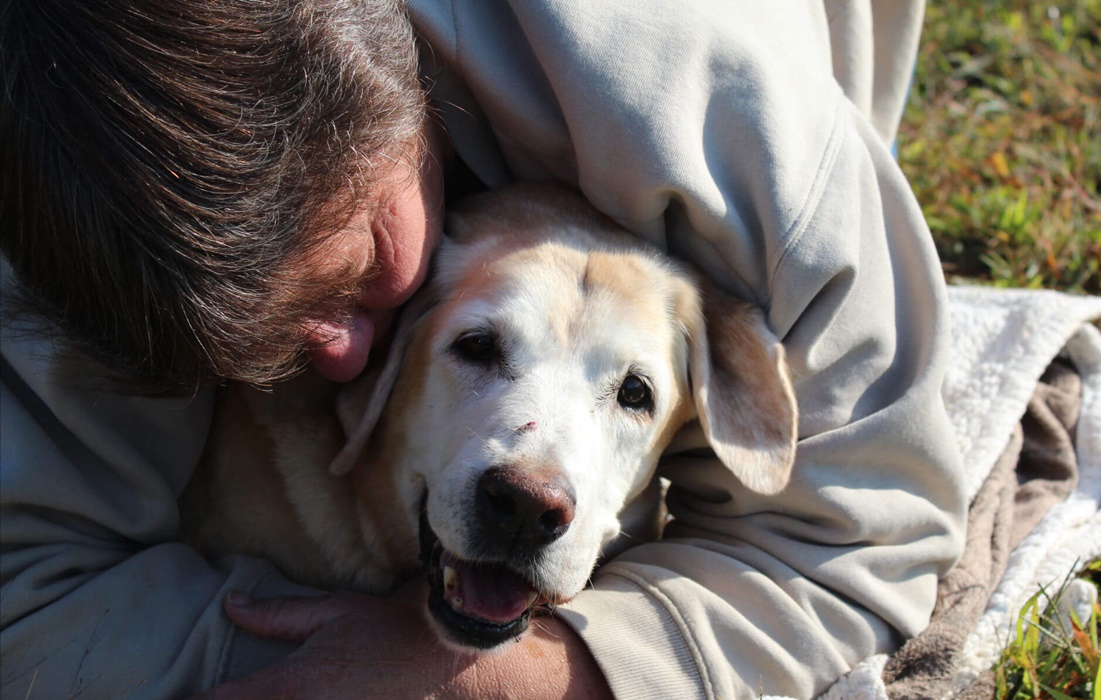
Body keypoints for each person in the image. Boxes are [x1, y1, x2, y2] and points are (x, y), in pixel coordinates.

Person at [0, 1, 965, 698]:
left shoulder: (750, 146)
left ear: (403, 100)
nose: (344, 364)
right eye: (271, 335)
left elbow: (860, 543)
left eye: (363, 266)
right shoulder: (68, 202)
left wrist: (534, 676)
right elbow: (24, 591)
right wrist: (321, 664)